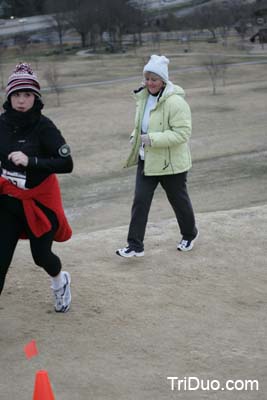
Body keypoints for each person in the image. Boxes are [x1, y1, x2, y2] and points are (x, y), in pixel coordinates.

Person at [0, 62, 73, 312]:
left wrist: (31, 161)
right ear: (9, 97)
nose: (21, 100)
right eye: (17, 95)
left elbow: (66, 162)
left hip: (40, 203)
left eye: (27, 95)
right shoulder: (1, 125)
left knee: (41, 256)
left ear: (35, 97)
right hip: (9, 202)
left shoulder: (44, 126)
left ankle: (60, 282)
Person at [116, 55, 198, 258]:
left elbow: (182, 134)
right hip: (147, 160)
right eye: (147, 78)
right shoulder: (143, 98)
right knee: (140, 202)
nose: (150, 83)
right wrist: (136, 136)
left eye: (154, 79)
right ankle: (135, 246)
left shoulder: (176, 102)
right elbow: (141, 126)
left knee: (178, 201)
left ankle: (190, 234)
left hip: (171, 165)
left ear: (164, 80)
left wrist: (151, 139)